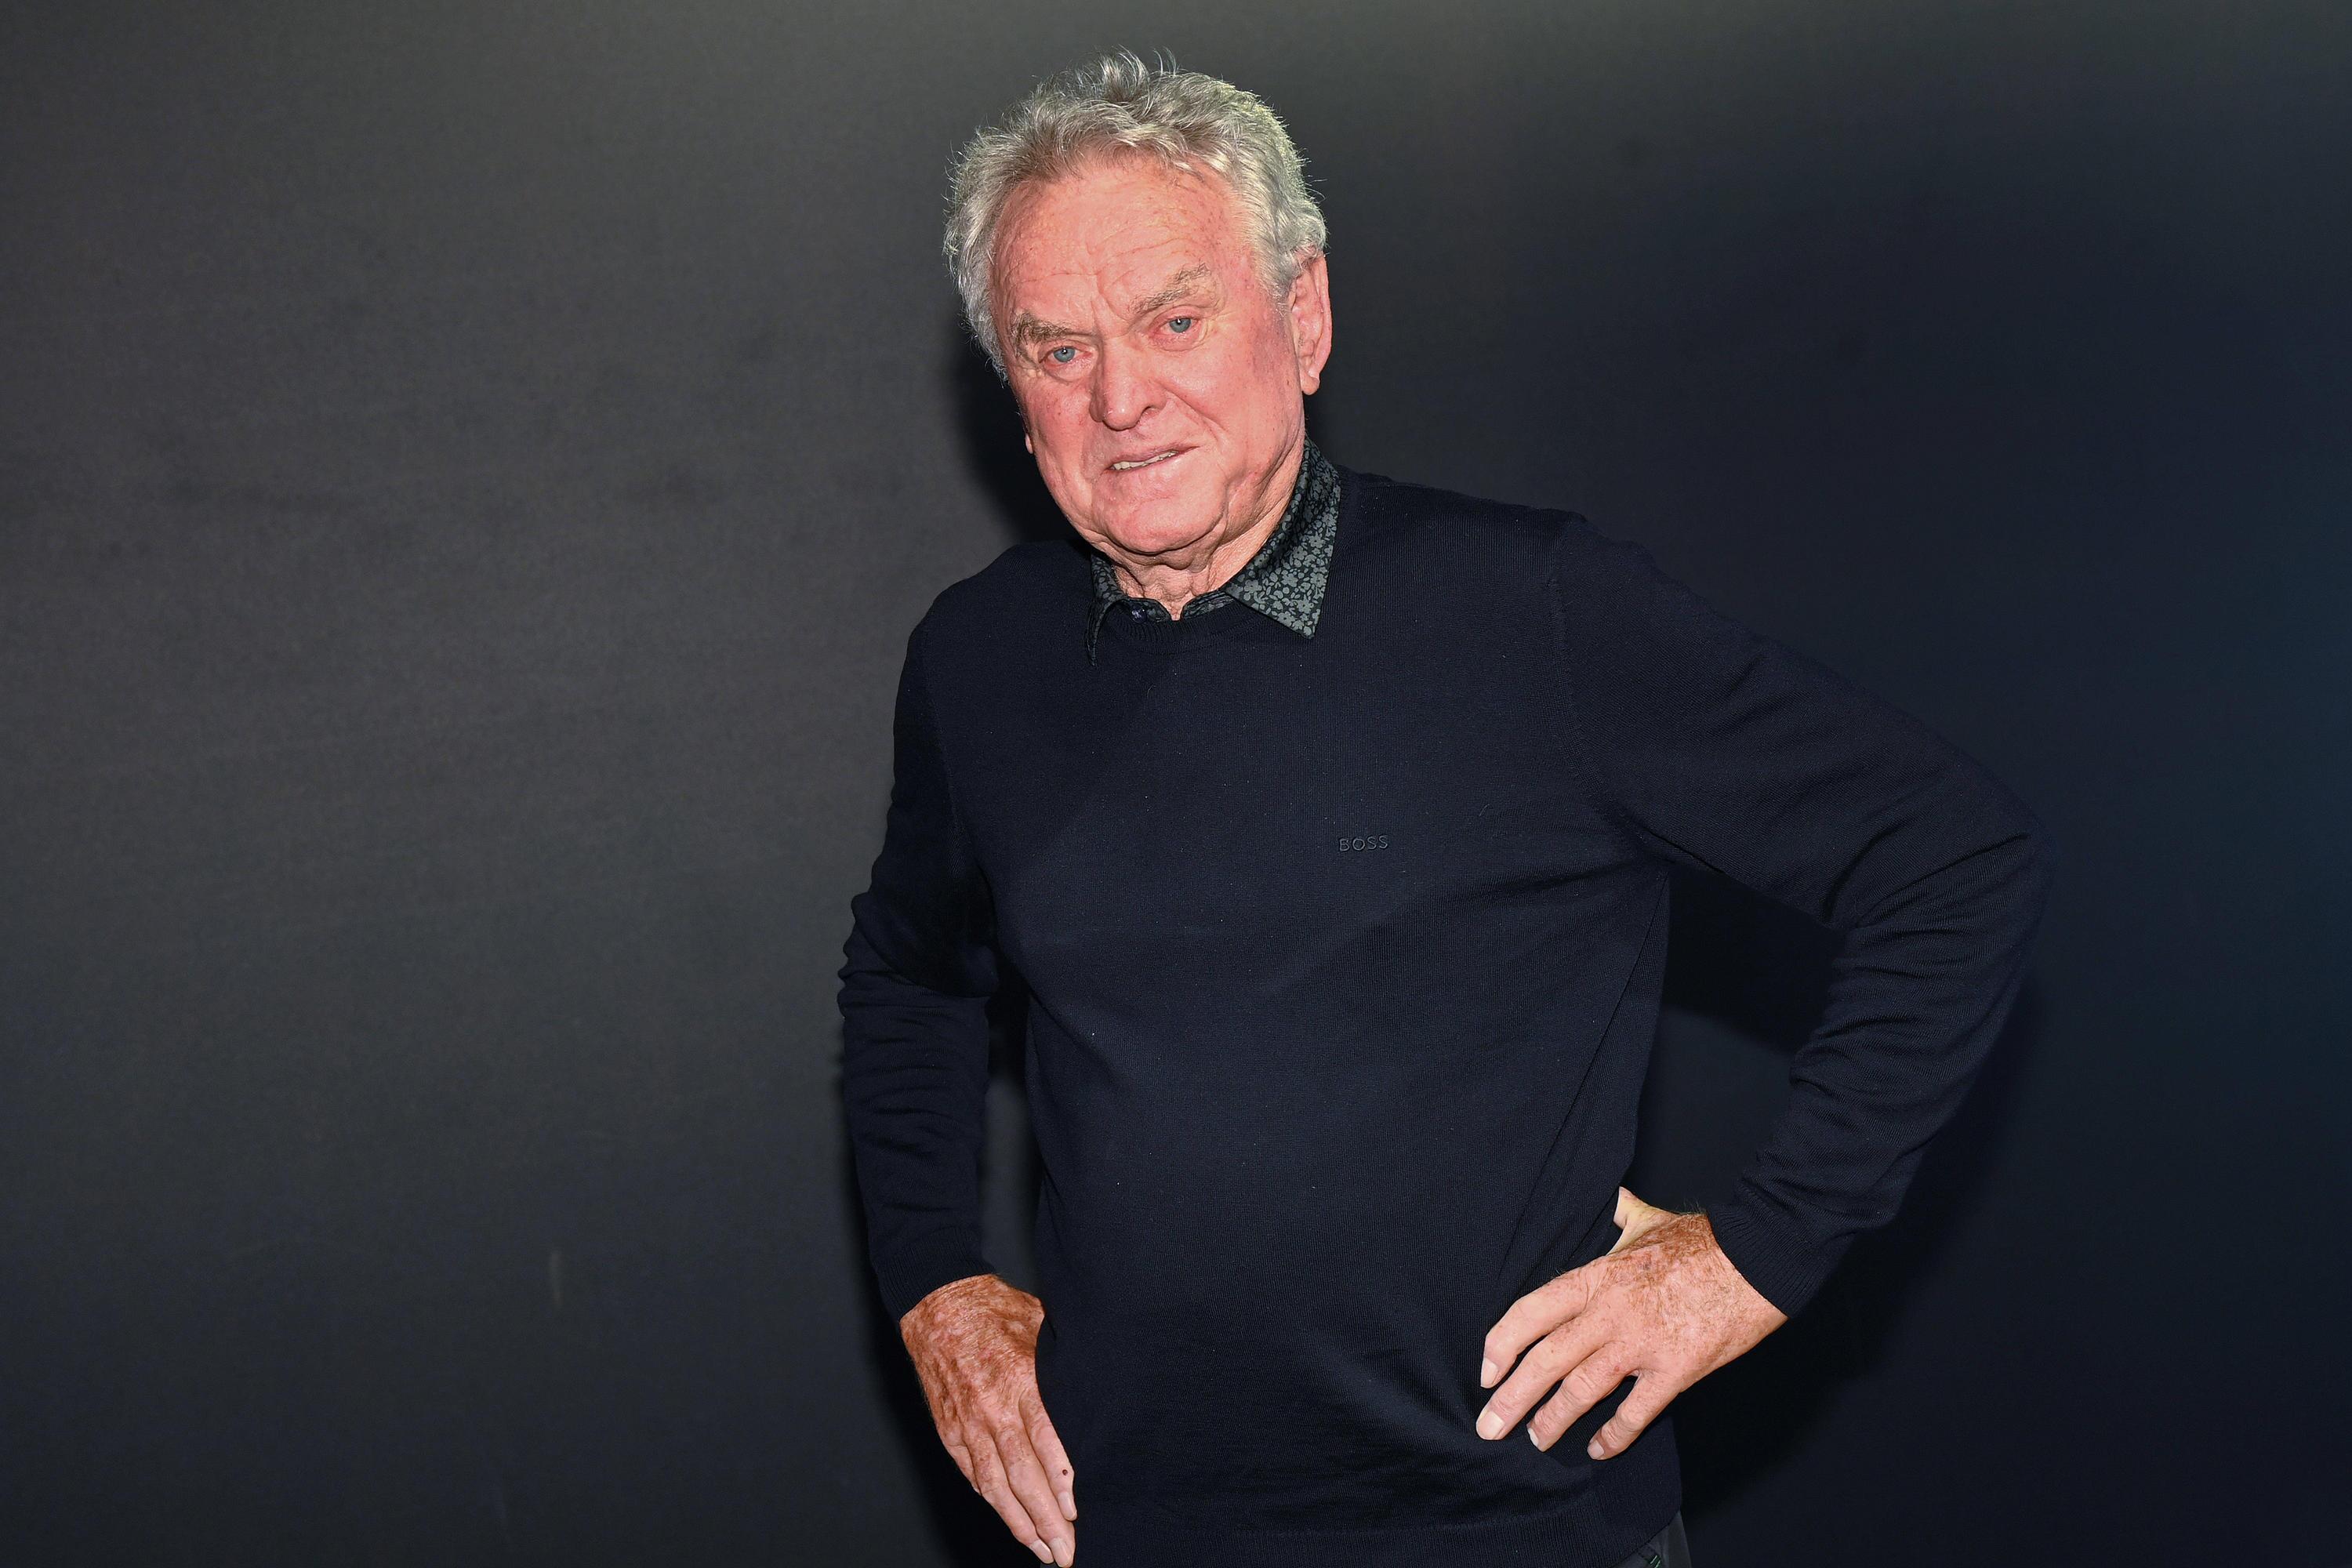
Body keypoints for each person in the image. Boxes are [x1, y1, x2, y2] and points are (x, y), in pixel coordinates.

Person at [837, 51, 2052, 1568]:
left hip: (1521, 1536)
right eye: (1058, 348)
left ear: (1304, 316)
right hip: (1130, 1531)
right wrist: (935, 1285)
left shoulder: (1533, 612)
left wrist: (1754, 1254)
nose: (1121, 397)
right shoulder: (979, 658)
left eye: (1174, 320)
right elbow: (909, 975)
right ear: (1014, 393)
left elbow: (1953, 860)